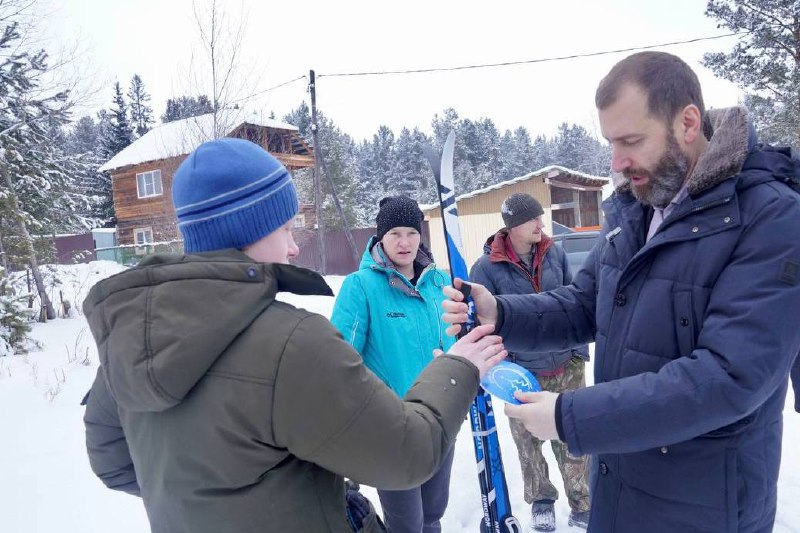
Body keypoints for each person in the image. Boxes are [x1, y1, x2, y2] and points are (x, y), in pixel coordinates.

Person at [442, 51, 800, 532]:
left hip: (702, 509)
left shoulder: (771, 217)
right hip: (620, 492)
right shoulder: (636, 211)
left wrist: (571, 418)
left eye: (631, 141)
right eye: (611, 143)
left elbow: (728, 377)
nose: (616, 163)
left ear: (688, 123)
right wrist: (500, 313)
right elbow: (585, 303)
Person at [81, 138, 508, 533]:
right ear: (250, 228)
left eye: (412, 233)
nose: (293, 247)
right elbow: (407, 454)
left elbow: (114, 462)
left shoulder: (135, 338)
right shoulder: (295, 339)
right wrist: (459, 367)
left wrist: (219, 497)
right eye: (286, 229)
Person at [331, 195, 456, 533]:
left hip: (440, 417)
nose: (404, 243)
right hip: (391, 426)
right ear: (380, 237)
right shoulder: (361, 286)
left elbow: (455, 339)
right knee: (406, 522)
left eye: (412, 233)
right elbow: (339, 358)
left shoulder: (439, 282)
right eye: (395, 234)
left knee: (433, 513)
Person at [469, 192, 590, 532]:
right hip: (520, 371)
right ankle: (541, 500)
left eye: (540, 216)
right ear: (512, 226)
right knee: (528, 442)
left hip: (565, 364)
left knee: (571, 436)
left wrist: (579, 353)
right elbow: (484, 323)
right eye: (532, 218)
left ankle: (582, 502)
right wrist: (500, 367)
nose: (540, 223)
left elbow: (576, 304)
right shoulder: (486, 268)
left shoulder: (555, 254)